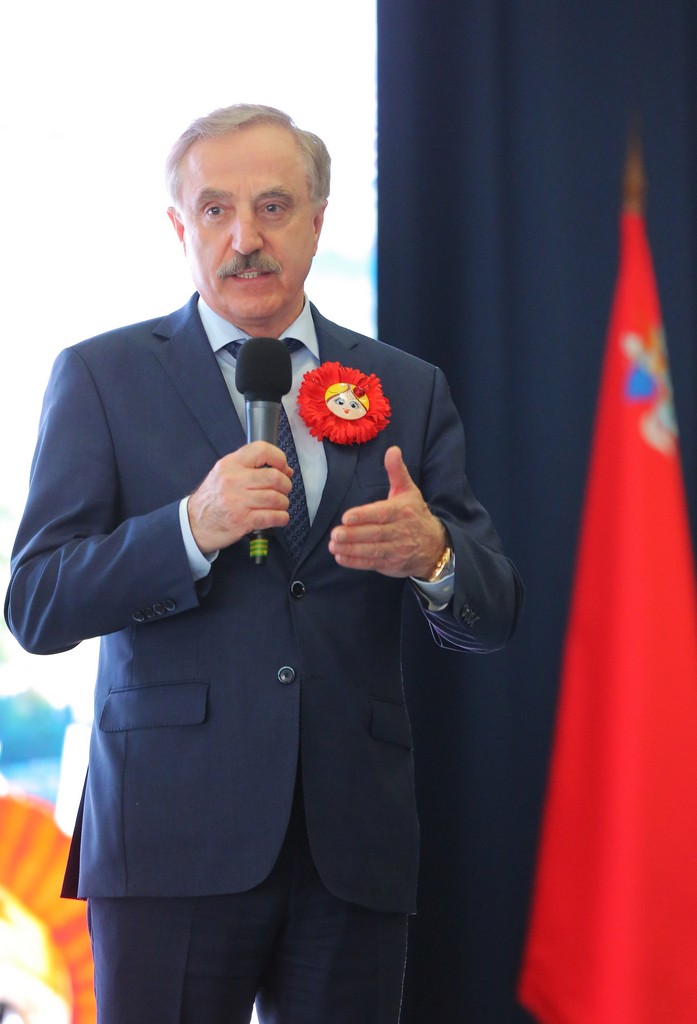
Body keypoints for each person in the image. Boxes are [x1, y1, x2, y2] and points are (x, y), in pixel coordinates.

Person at [4, 104, 523, 1024]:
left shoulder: (406, 387)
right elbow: (38, 605)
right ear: (181, 228)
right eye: (215, 210)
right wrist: (187, 529)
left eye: (273, 207)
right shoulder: (101, 377)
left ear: (318, 220)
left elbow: (495, 612)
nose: (244, 238)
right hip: (168, 839)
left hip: (350, 846)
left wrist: (435, 556)